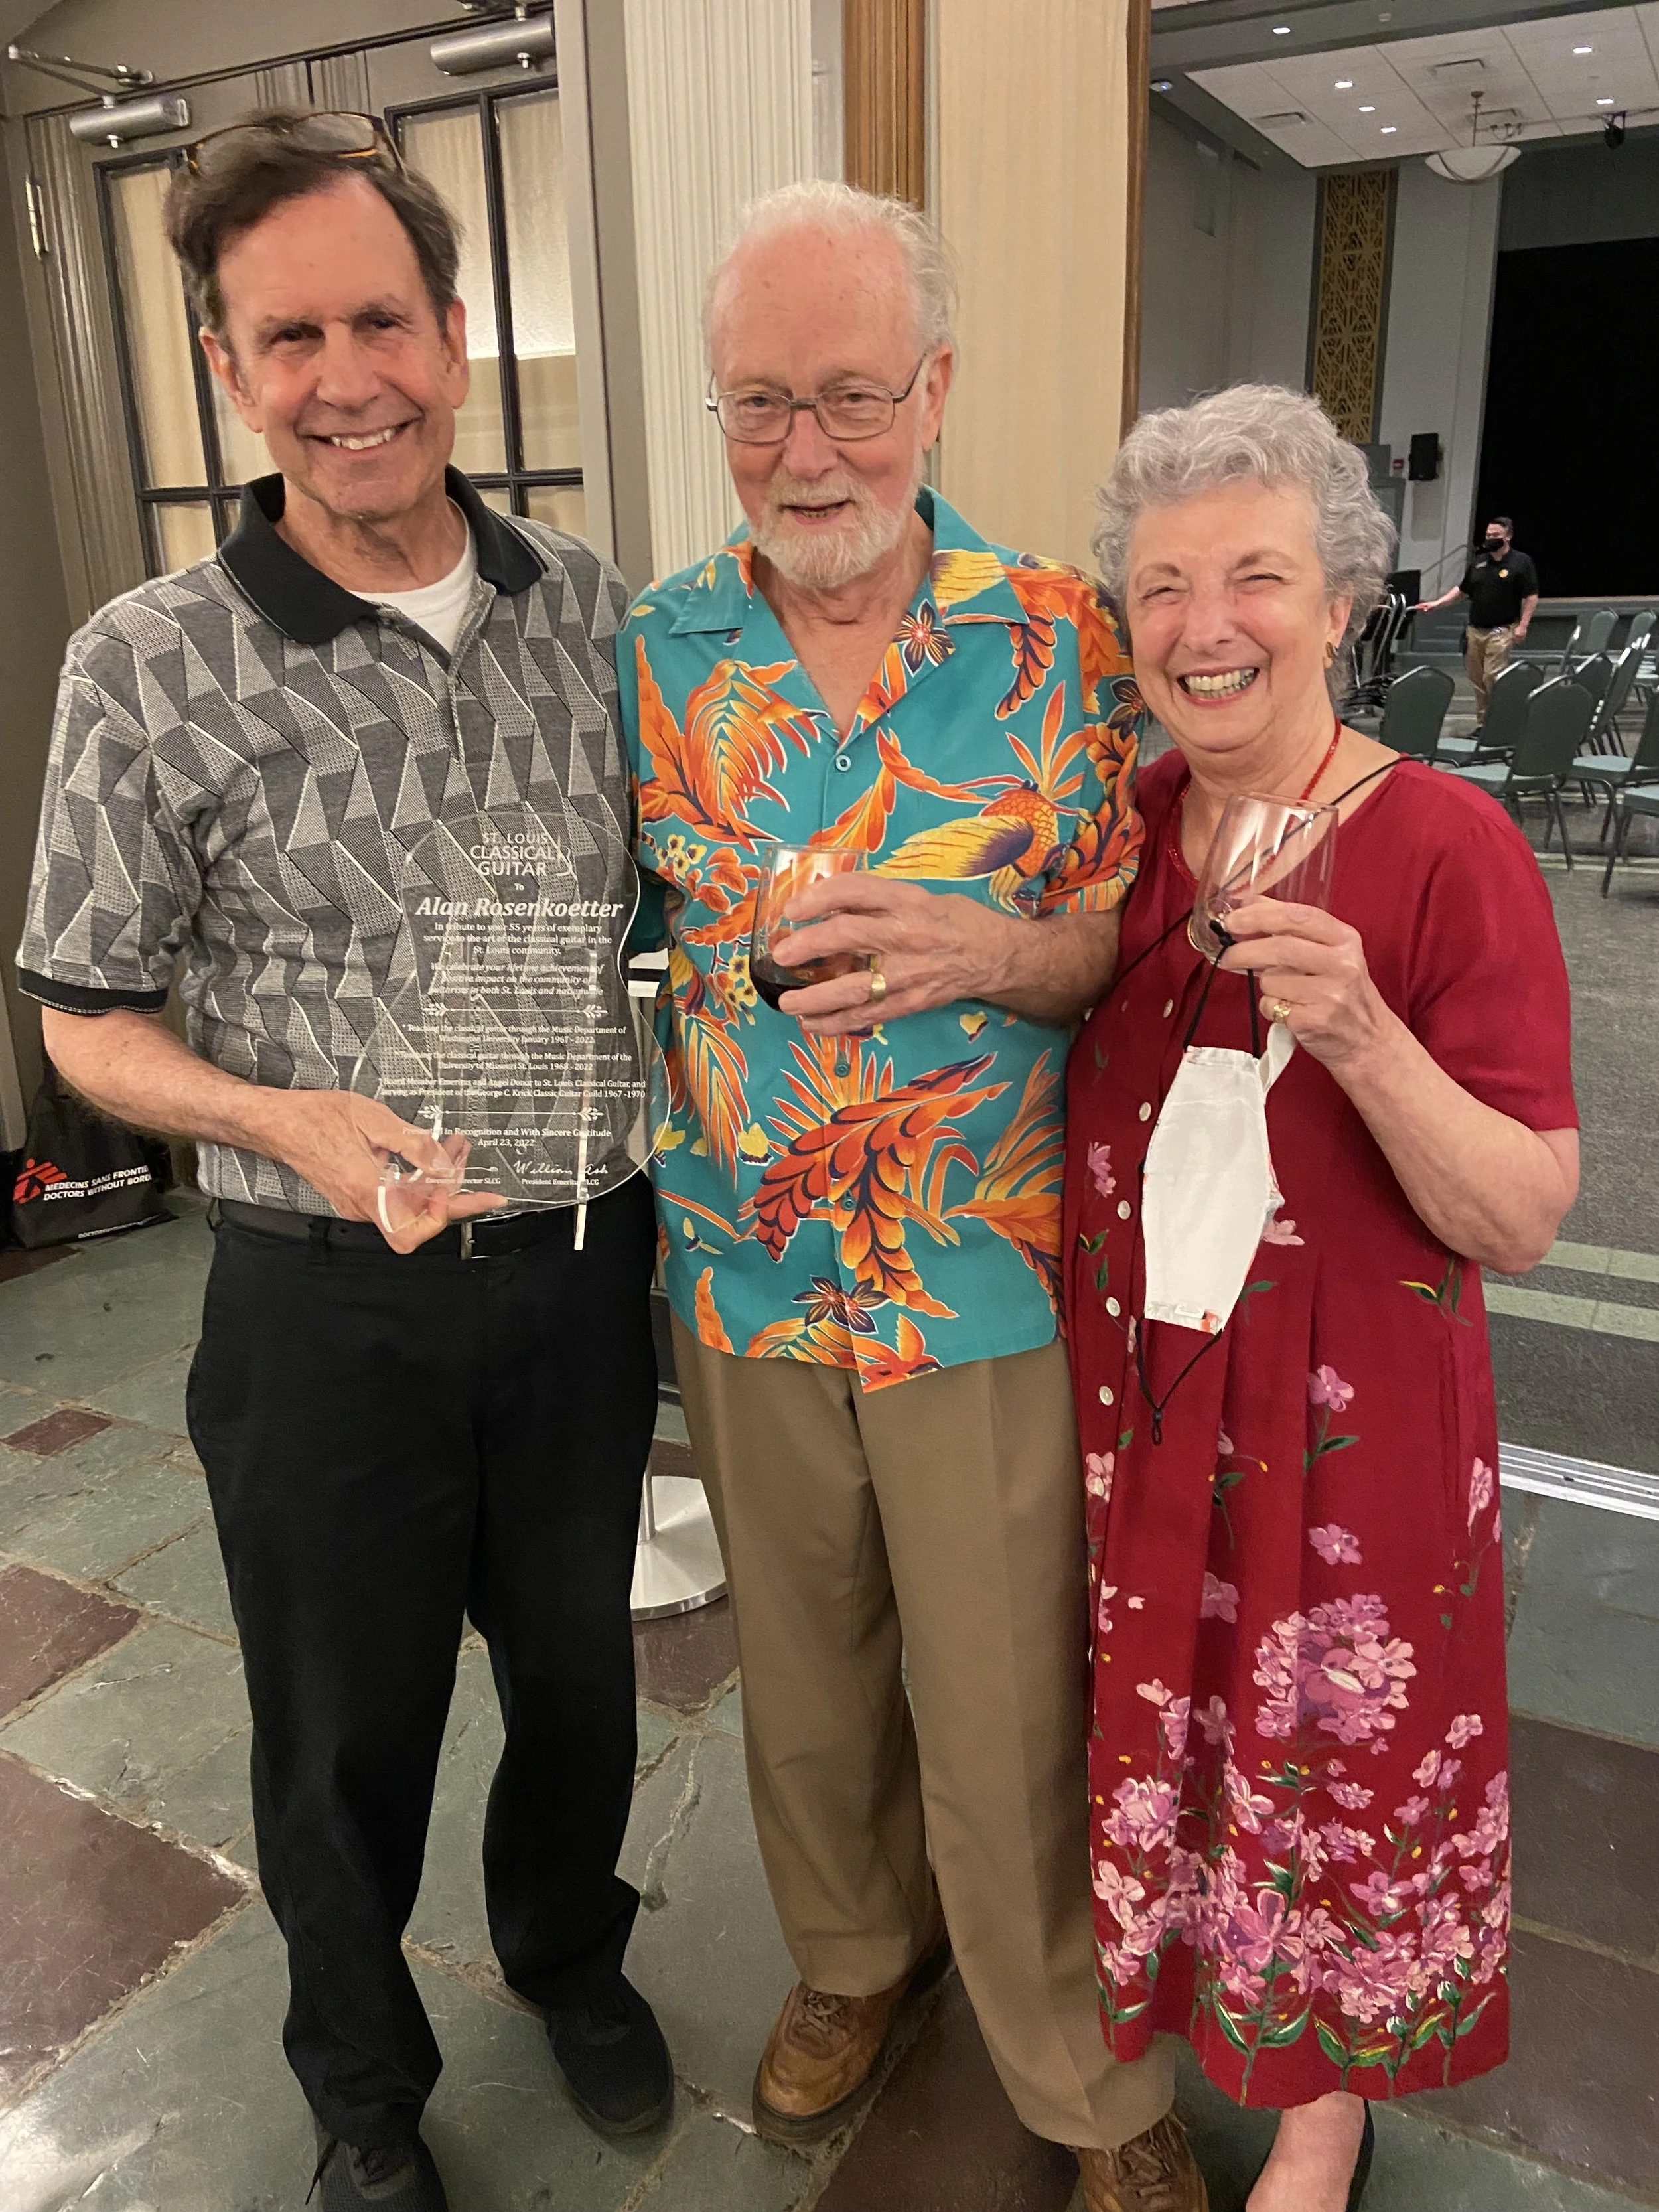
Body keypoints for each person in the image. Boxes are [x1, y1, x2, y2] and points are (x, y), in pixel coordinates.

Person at [15, 110, 670, 2212]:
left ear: (455, 337)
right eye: (286, 334)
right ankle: (359, 2083)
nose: (344, 373)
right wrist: (272, 1112)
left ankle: (569, 1949)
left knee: (578, 1671)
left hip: (581, 1266)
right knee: (339, 1727)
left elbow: (676, 903)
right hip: (324, 1307)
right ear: (228, 365)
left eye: (378, 317)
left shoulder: (598, 614)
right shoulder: (146, 663)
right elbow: (81, 1013)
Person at [618, 178, 1204, 2212]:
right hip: (751, 1260)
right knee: (803, 1669)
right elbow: (597, 935)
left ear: (936, 389)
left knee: (1002, 1685)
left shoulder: (1065, 638)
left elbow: (1142, 930)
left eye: (851, 396)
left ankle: (1083, 2077)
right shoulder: (651, 651)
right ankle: (853, 1962)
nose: (805, 451)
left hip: (981, 1271)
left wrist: (1005, 954)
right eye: (757, 403)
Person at [1066, 385, 1577, 2211]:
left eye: (1255, 576)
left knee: (1326, 1760)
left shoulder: (1444, 847)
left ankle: (1320, 2104)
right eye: (1164, 587)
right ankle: (1188, 2009)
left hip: (1348, 1444)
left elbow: (1519, 1207)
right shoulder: (1122, 834)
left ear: (1346, 601)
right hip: (1144, 1410)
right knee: (1180, 1727)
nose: (1206, 626)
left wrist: (1358, 1026)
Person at [1414, 516, 1539, 720]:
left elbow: (1531, 596)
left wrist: (1523, 626)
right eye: (1488, 535)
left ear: (1508, 536)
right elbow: (1462, 590)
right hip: (1475, 630)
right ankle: (1483, 723)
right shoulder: (1479, 562)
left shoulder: (1521, 562)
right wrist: (1437, 603)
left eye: (1496, 535)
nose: (1491, 539)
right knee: (1477, 679)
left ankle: (1500, 720)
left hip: (1502, 630)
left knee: (1493, 676)